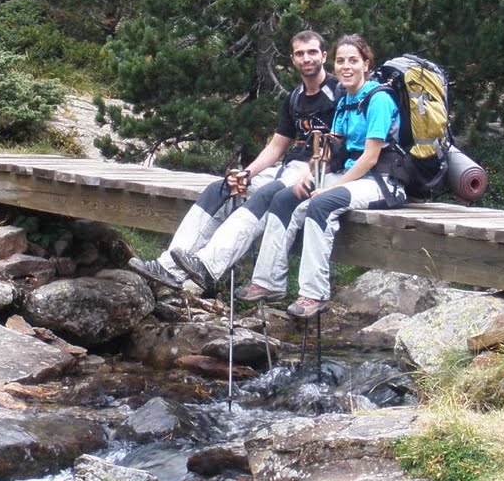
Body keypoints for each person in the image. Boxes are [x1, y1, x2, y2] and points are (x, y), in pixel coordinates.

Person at [128, 30, 343, 292]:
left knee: (268, 194)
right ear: (293, 59)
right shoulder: (295, 97)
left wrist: (308, 173)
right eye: (300, 53)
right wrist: (246, 173)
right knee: (221, 187)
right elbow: (277, 146)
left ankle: (207, 267)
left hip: (317, 170)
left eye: (312, 52)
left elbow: (341, 145)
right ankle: (167, 267)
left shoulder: (339, 93)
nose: (306, 58)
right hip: (287, 167)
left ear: (323, 55)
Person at [284, 34, 407, 319]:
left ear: (367, 64)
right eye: (341, 61)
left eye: (353, 60)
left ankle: (312, 295)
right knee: (291, 197)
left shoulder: (378, 100)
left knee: (322, 204)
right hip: (354, 177)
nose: (346, 67)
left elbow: (370, 157)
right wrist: (311, 175)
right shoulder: (345, 100)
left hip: (382, 181)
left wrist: (332, 187)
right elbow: (331, 149)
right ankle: (271, 279)